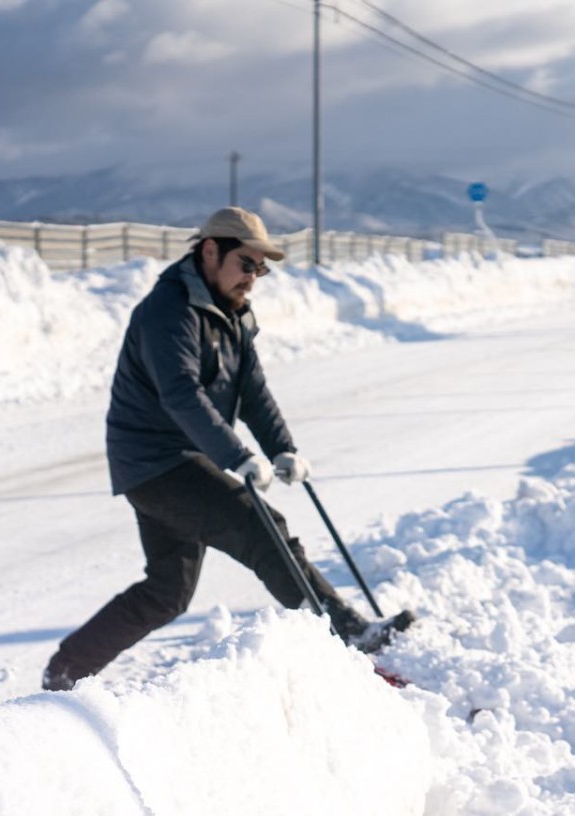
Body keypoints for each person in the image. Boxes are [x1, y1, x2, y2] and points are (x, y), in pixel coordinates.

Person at [43, 207, 410, 691]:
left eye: (262, 268)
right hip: (156, 463)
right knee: (262, 529)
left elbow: (253, 392)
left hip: (178, 461)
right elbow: (181, 394)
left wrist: (283, 449)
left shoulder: (233, 314)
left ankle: (67, 669)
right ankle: (347, 635)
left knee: (167, 591)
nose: (253, 278)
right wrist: (236, 455)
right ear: (211, 250)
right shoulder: (167, 312)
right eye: (246, 264)